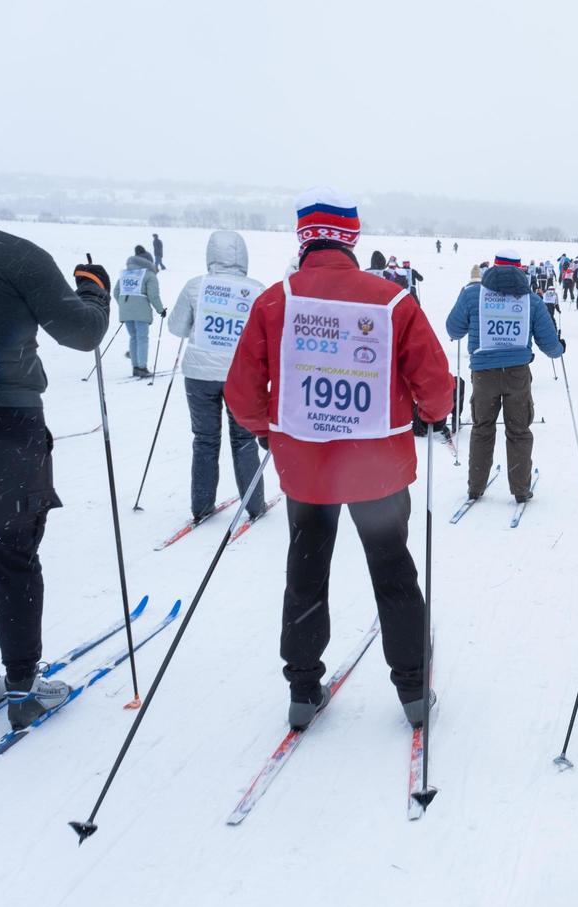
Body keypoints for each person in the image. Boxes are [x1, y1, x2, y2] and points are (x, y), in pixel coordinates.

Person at [225, 186, 454, 730]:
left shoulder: (275, 300)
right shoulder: (393, 300)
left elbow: (240, 394)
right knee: (393, 572)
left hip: (307, 470)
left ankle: (303, 688)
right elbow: (438, 388)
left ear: (303, 238)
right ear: (351, 239)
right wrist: (428, 413)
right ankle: (414, 690)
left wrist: (269, 431)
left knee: (306, 571)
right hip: (378, 472)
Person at [0, 230, 110, 728]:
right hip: (10, 425)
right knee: (13, 555)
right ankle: (22, 689)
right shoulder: (16, 255)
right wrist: (93, 291)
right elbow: (82, 333)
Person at [445, 248, 564, 502]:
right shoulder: (531, 300)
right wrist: (560, 348)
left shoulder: (472, 294)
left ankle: (475, 486)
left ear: (493, 268)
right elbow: (550, 344)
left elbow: (453, 328)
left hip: (483, 373)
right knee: (519, 430)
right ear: (520, 269)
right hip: (517, 374)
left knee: (482, 427)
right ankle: (520, 489)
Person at [168, 230, 266, 523]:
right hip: (241, 376)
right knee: (244, 439)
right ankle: (254, 504)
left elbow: (176, 327)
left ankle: (201, 506)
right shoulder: (256, 289)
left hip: (199, 376)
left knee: (205, 439)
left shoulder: (195, 286)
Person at [115, 246, 165, 378]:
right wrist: (160, 310)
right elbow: (153, 295)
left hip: (125, 311)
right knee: (142, 339)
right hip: (141, 311)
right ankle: (142, 368)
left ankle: (135, 367)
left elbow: (116, 292)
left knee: (133, 337)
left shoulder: (125, 273)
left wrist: (125, 305)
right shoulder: (149, 275)